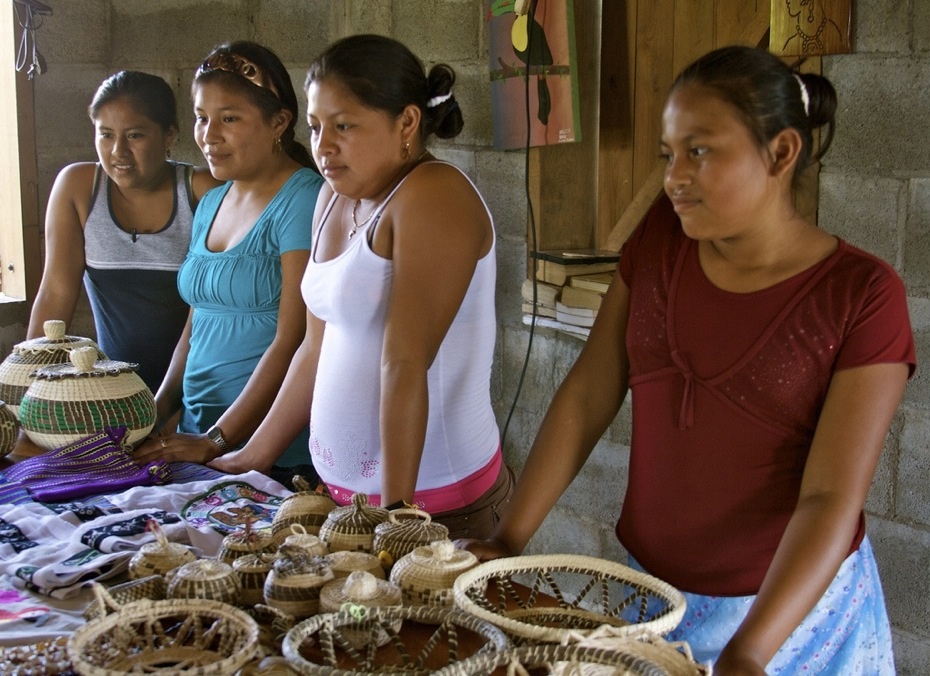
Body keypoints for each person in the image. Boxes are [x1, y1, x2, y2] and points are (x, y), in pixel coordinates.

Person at [460, 45, 915, 674]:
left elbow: (830, 499)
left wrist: (751, 650)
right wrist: (509, 538)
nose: (674, 177)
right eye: (668, 155)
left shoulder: (861, 295)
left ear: (781, 153)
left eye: (699, 151)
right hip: (653, 600)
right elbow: (592, 389)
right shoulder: (663, 238)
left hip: (789, 622)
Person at [210, 34, 512, 540]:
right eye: (315, 126)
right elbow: (315, 346)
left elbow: (405, 363)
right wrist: (251, 456)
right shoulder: (333, 197)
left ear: (407, 123)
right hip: (344, 504)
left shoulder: (433, 196)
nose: (322, 147)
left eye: (344, 126)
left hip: (431, 508)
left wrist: (396, 519)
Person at [134, 41, 324, 475]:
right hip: (198, 438)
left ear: (279, 122)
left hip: (269, 450)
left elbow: (293, 338)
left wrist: (217, 439)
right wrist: (156, 412)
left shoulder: (303, 199)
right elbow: (194, 325)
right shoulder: (211, 201)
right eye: (201, 118)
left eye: (230, 118)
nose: (209, 135)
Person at [28, 71, 221, 391]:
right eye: (106, 134)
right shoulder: (78, 189)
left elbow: (214, 313)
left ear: (169, 134)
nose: (118, 151)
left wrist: (173, 406)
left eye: (134, 136)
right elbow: (55, 294)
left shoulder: (201, 191)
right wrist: (31, 385)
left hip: (196, 389)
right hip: (113, 391)